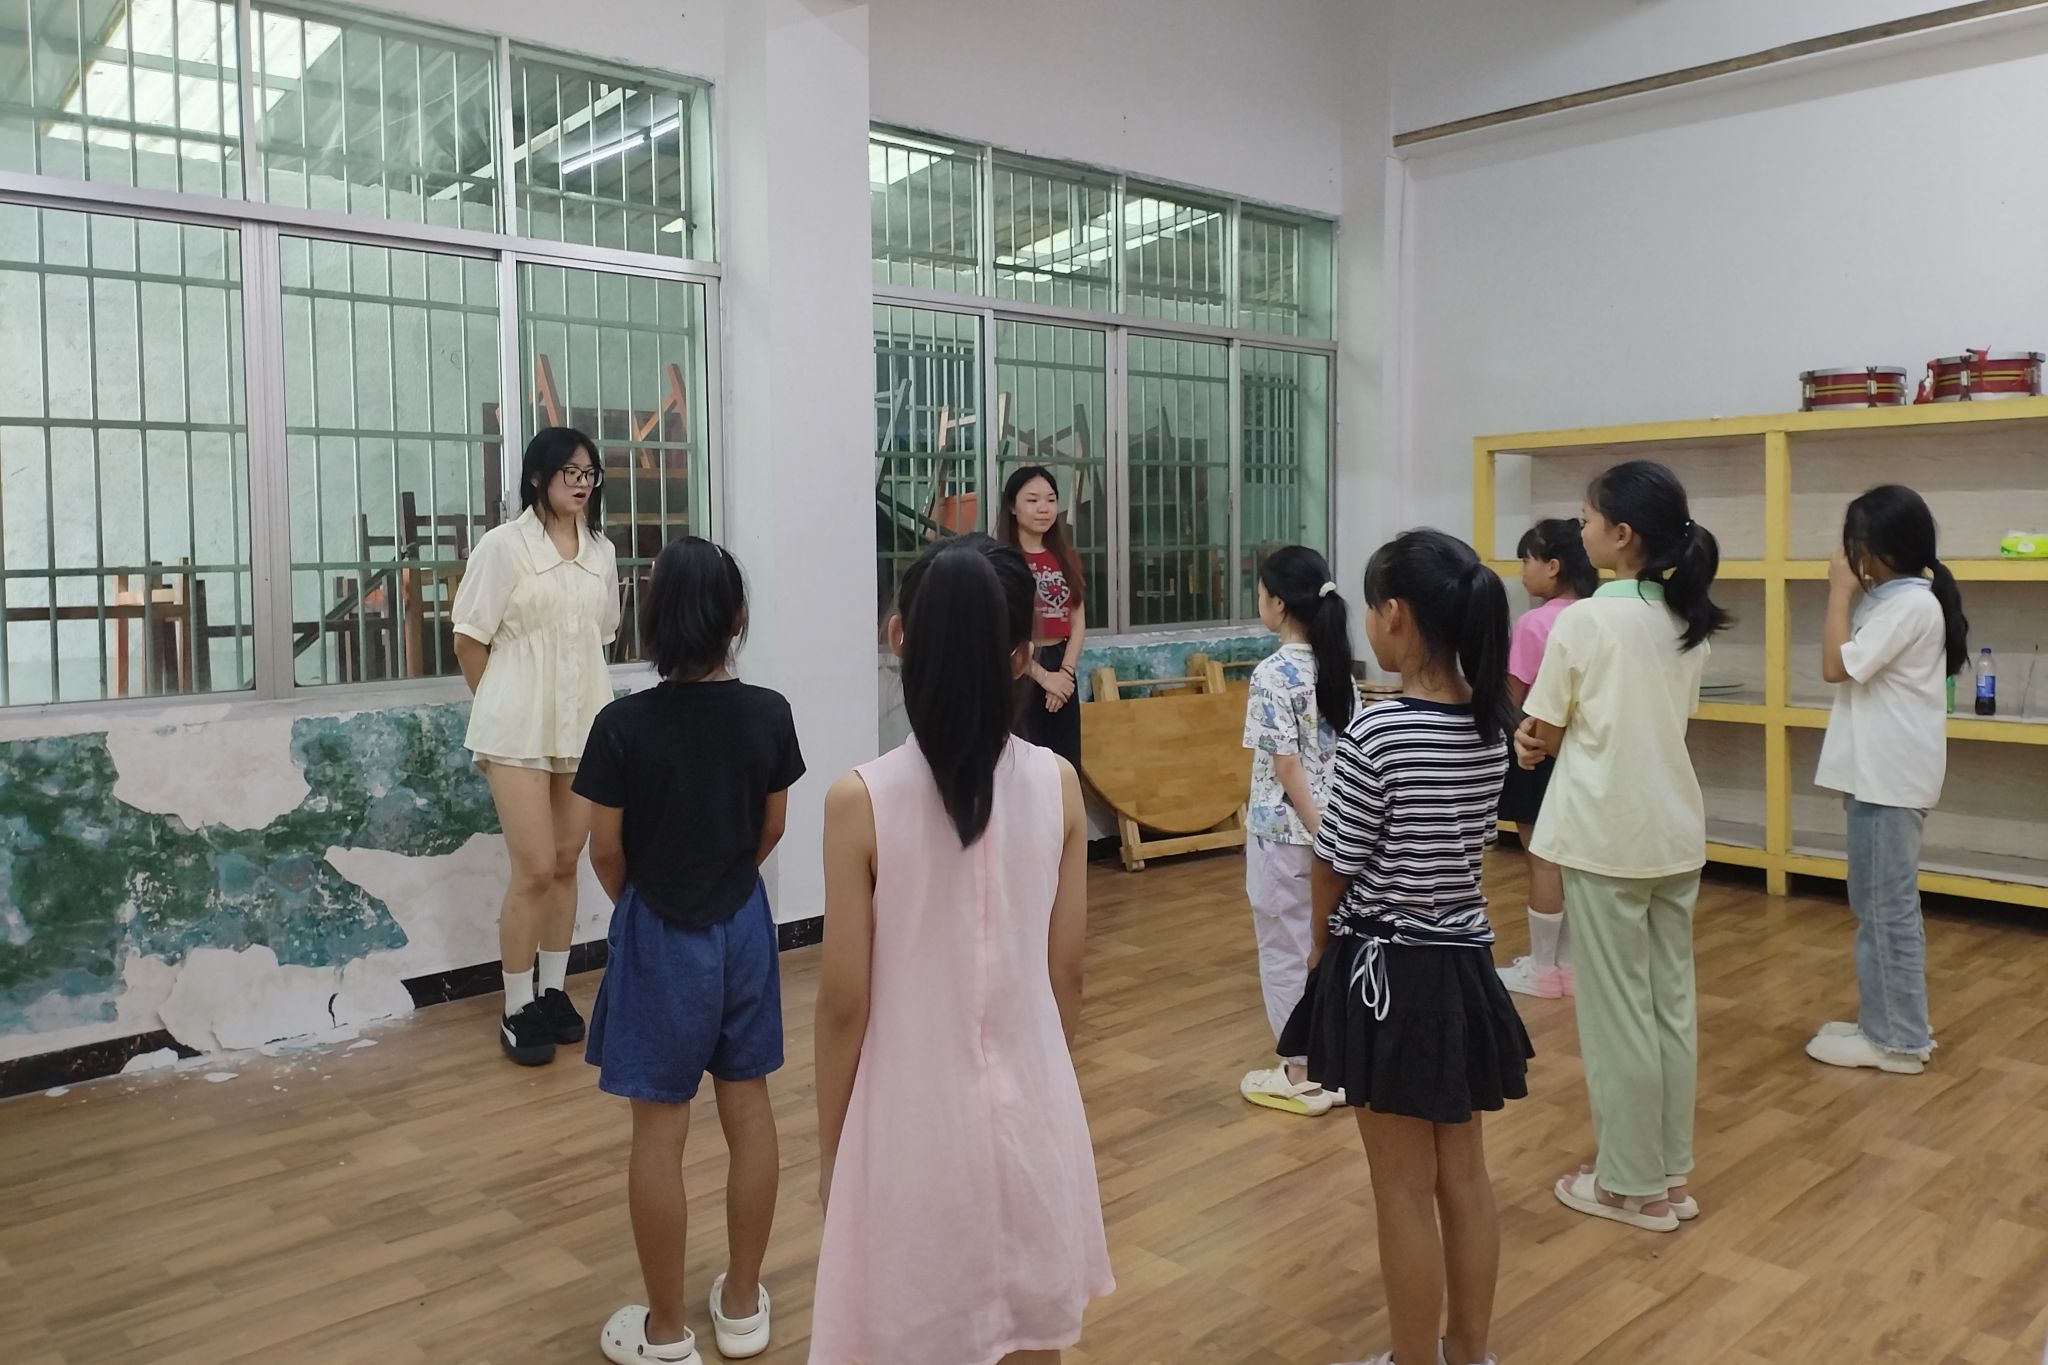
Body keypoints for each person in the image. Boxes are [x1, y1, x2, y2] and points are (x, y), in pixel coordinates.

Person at [812, 533, 1113, 1365]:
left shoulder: (858, 802)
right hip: (1033, 1112)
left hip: (909, 1124)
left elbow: (842, 1005)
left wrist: (834, 1150)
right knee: (1031, 1338)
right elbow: (1067, 972)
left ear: (898, 635)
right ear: (1021, 655)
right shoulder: (1058, 785)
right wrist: (1035, 1071)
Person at [1279, 529, 1529, 1365]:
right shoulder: (1491, 722)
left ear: (1394, 615)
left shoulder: (1380, 730)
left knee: (1400, 1187)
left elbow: (1333, 862)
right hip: (1462, 968)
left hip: (1384, 971)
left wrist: (1319, 953)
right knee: (1465, 1175)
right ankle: (1470, 1353)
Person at [576, 537, 804, 1365]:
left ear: (653, 620)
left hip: (658, 927)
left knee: (659, 1131)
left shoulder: (620, 725)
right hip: (743, 922)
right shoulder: (769, 712)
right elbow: (772, 826)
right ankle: (741, 1306)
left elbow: (605, 850)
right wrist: (725, 878)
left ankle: (667, 1332)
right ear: (737, 619)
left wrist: (646, 906)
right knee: (751, 1112)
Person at [1515, 459, 1729, 1234]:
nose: (1580, 530)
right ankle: (1667, 1175)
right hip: (1673, 833)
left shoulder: (1585, 620)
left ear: (1623, 533)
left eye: (1587, 518)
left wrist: (1530, 743)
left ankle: (1627, 1184)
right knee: (1670, 1006)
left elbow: (1542, 727)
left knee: (1616, 1018)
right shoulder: (1685, 623)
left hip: (1607, 837)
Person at [452, 427, 621, 1066]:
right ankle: (517, 1004)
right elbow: (469, 638)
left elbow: (598, 637)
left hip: (583, 723)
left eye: (589, 473)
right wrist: (500, 706)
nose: (582, 483)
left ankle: (553, 991)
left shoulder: (601, 552)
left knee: (566, 861)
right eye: (569, 472)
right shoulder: (503, 547)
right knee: (533, 867)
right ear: (536, 478)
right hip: (516, 729)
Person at [1807, 485, 1967, 1076]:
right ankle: (1886, 1022)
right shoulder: (1896, 601)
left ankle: (1896, 1041)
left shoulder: (1908, 607)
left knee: (1885, 910)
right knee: (1877, 905)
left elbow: (1834, 666)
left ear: (1879, 551)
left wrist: (1838, 590)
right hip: (1878, 777)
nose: (1845, 555)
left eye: (1853, 544)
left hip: (1888, 782)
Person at [1238, 545, 1356, 1118]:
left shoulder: (1272, 673)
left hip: (1285, 836)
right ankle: (1335, 1064)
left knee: (1284, 953)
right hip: (1335, 836)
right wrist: (1333, 835)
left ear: (1278, 603)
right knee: (1324, 950)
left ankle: (1301, 1074)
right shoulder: (1339, 670)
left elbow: (1285, 763)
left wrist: (1316, 830)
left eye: (1261, 593)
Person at [1496, 519, 1598, 1000]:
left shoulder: (1534, 623)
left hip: (1536, 752)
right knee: (1573, 862)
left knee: (1541, 861)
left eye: (1527, 560)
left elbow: (1512, 698)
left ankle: (1541, 969)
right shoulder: (1597, 615)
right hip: (1584, 754)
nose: (1522, 571)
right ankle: (1569, 966)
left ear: (1553, 566)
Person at [995, 464, 1088, 769]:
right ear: (1012, 507)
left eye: (1050, 499)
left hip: (1062, 664)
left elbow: (1077, 621)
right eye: (1032, 500)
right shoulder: (1002, 560)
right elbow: (999, 630)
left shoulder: (1066, 557)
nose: (1044, 508)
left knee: (1064, 762)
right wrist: (1045, 678)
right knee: (1022, 763)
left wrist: (1065, 674)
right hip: (1018, 666)